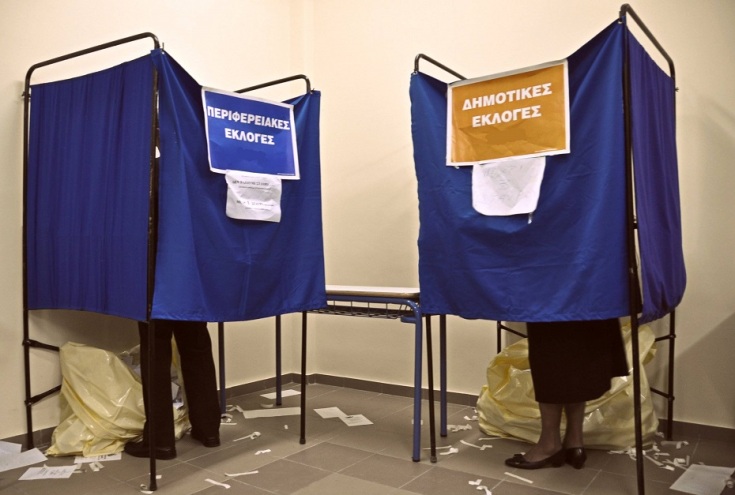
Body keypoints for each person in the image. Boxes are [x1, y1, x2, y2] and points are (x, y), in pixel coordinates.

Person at [504, 318, 629, 470]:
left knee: (551, 346)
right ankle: (574, 442)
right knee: (580, 343)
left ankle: (549, 444)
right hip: (591, 303)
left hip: (554, 305)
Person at [124, 320, 221, 460]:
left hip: (157, 305)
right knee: (196, 345)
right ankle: (208, 430)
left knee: (155, 349)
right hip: (191, 304)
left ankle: (160, 442)